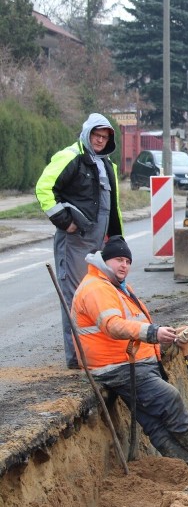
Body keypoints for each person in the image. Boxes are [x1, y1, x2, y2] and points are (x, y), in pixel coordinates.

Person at [71, 236, 188, 467]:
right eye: (118, 260)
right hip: (118, 366)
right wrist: (153, 333)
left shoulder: (116, 286)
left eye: (127, 260)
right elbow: (113, 326)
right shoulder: (97, 288)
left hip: (130, 361)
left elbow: (133, 322)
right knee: (169, 398)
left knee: (153, 422)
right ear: (104, 261)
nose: (124, 265)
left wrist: (162, 337)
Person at [36, 113, 124, 369]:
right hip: (75, 240)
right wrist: (65, 221)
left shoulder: (107, 164)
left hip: (99, 241)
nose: (99, 140)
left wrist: (115, 237)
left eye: (104, 137)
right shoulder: (70, 157)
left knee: (99, 295)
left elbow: (112, 206)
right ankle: (78, 358)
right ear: (87, 133)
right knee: (75, 298)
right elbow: (43, 188)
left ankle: (96, 353)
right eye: (96, 135)